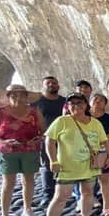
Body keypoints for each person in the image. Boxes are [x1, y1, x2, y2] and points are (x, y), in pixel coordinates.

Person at [38, 92, 109, 216]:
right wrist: (53, 160)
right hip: (68, 167)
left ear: (85, 105)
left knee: (88, 192)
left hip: (89, 165)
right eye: (72, 104)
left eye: (79, 103)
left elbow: (104, 141)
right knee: (60, 197)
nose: (75, 107)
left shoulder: (94, 123)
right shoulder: (62, 121)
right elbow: (49, 141)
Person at [0, 84, 45, 216]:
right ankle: (4, 215)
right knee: (8, 182)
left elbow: (43, 131)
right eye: (14, 95)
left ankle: (27, 209)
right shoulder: (0, 112)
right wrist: (3, 141)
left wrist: (38, 139)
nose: (18, 98)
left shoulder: (34, 111)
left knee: (28, 179)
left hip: (29, 149)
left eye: (21, 95)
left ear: (26, 96)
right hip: (7, 151)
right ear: (9, 96)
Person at [32, 76, 66, 206]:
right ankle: (48, 194)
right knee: (47, 165)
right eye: (48, 83)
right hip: (46, 138)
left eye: (54, 83)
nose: (52, 85)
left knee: (65, 164)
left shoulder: (64, 101)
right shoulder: (37, 103)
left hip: (64, 138)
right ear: (43, 86)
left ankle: (64, 191)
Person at [90, 93, 109, 216]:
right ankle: (87, 203)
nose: (98, 101)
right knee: (87, 180)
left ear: (105, 104)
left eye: (101, 100)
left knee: (104, 178)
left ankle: (106, 205)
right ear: (89, 102)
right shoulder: (84, 117)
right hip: (85, 152)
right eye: (95, 99)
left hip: (103, 151)